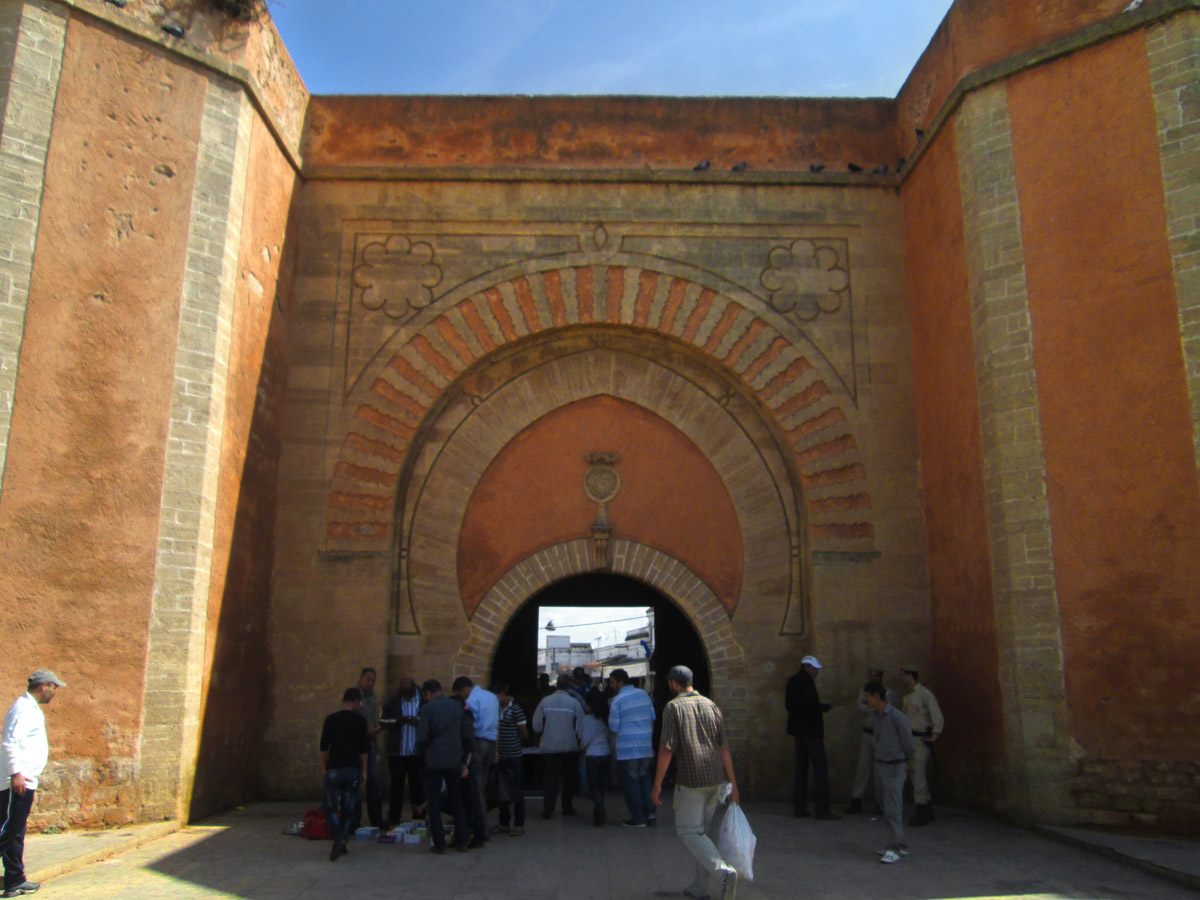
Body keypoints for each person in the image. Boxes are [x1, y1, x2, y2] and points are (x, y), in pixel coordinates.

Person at [651, 665, 740, 900]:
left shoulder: (673, 708)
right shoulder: (712, 706)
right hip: (714, 780)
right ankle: (700, 888)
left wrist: (657, 783)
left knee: (689, 832)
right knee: (703, 835)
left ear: (672, 683)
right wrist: (733, 783)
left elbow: (667, 748)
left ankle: (723, 871)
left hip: (691, 780)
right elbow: (724, 748)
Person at [1, 669, 66, 898]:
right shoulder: (23, 709)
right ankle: (14, 880)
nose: (54, 692)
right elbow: (9, 742)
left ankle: (15, 881)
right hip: (17, 782)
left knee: (16, 832)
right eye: (54, 687)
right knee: (8, 833)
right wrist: (16, 773)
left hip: (24, 781)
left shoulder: (30, 709)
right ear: (43, 686)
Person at [863, 680, 915, 863]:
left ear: (876, 696)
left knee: (893, 808)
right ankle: (899, 844)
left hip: (895, 765)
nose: (865, 699)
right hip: (881, 764)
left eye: (868, 696)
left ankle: (893, 847)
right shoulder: (875, 717)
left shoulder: (898, 717)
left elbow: (908, 742)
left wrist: (910, 761)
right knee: (885, 805)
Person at [415, 679, 471, 854]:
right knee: (457, 800)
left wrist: (423, 749)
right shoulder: (455, 706)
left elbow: (422, 737)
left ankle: (439, 844)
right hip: (453, 759)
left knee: (433, 801)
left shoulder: (427, 709)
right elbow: (464, 733)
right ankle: (462, 841)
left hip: (434, 760)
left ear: (428, 693)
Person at [785, 654, 839, 820]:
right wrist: (824, 707)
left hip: (799, 731)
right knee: (820, 770)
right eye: (814, 669)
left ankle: (799, 808)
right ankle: (822, 810)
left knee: (801, 770)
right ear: (807, 667)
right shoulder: (806, 681)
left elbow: (790, 705)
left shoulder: (793, 680)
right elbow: (809, 704)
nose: (816, 672)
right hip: (811, 732)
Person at [320, 687, 370, 861]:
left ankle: (338, 838)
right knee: (348, 809)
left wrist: (324, 768)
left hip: (334, 769)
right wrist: (364, 770)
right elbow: (364, 750)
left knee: (330, 807)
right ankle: (342, 840)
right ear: (355, 701)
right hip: (352, 770)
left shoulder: (330, 719)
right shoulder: (360, 721)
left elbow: (323, 747)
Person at [607, 668, 656, 828]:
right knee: (645, 779)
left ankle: (638, 818)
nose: (611, 685)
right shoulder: (644, 695)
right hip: (645, 746)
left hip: (628, 748)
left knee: (631, 782)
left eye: (612, 682)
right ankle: (651, 813)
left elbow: (613, 727)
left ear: (621, 682)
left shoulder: (617, 700)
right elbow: (652, 718)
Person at [532, 673, 584, 819]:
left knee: (550, 779)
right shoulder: (574, 703)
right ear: (569, 686)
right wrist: (579, 742)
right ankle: (567, 807)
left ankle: (548, 808)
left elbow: (536, 725)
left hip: (549, 747)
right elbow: (581, 726)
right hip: (570, 747)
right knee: (569, 779)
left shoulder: (545, 702)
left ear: (556, 685)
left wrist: (541, 735)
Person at [453, 676, 499, 840]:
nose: (461, 698)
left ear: (463, 689)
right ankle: (478, 824)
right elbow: (497, 723)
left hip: (478, 743)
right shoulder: (492, 697)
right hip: (491, 743)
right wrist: (496, 750)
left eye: (459, 694)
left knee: (476, 788)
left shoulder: (471, 700)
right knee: (482, 786)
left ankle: (480, 830)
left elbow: (469, 725)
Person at [844, 668, 895, 815]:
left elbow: (887, 710)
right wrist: (875, 706)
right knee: (862, 769)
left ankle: (881, 803)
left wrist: (870, 706)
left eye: (876, 676)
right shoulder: (864, 690)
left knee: (880, 771)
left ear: (881, 676)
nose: (873, 678)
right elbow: (860, 706)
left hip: (880, 735)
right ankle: (856, 800)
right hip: (867, 733)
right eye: (871, 675)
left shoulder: (888, 692)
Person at [898, 664, 944, 826]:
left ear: (911, 675)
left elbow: (937, 715)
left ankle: (922, 810)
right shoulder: (907, 697)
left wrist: (935, 735)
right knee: (914, 774)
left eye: (903, 674)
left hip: (921, 739)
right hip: (911, 739)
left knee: (918, 774)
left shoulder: (924, 694)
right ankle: (927, 807)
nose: (901, 677)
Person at [381, 676, 425, 824]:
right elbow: (382, 721)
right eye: (403, 693)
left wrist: (418, 721)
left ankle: (419, 815)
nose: (405, 696)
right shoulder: (393, 699)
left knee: (417, 785)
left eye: (408, 694)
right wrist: (397, 721)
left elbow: (430, 721)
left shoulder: (424, 699)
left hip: (416, 751)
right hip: (397, 752)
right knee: (396, 785)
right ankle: (394, 816)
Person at [349, 667, 383, 830]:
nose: (371, 683)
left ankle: (376, 819)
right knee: (356, 781)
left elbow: (372, 720)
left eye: (373, 680)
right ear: (361, 678)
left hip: (368, 743)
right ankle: (354, 820)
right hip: (355, 745)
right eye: (368, 679)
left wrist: (375, 741)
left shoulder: (372, 697)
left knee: (374, 782)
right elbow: (350, 720)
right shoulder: (354, 695)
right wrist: (366, 731)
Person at [492, 682, 527, 836]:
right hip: (500, 756)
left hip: (513, 756)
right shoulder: (496, 710)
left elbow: (524, 733)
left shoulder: (516, 710)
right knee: (501, 790)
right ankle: (503, 823)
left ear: (503, 694)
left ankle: (519, 824)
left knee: (516, 790)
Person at [581, 690, 611, 826]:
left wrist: (582, 749)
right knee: (601, 785)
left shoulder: (587, 719)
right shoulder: (606, 717)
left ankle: (599, 808)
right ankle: (599, 808)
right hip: (605, 753)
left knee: (593, 786)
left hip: (592, 754)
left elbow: (584, 740)